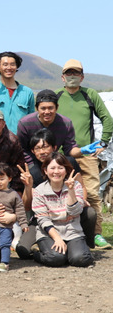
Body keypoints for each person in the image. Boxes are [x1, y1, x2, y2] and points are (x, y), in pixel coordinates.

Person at [55, 59, 113, 249]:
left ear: (82, 76)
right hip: (60, 155)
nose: (72, 76)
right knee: (59, 194)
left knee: (93, 194)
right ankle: (62, 234)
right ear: (62, 76)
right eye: (68, 73)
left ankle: (96, 234)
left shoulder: (90, 95)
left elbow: (106, 118)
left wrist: (103, 142)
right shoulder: (56, 97)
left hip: (86, 153)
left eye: (76, 73)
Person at [15, 129, 97, 259]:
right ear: (32, 151)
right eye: (38, 148)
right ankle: (44, 247)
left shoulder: (68, 163)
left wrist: (80, 201)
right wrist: (28, 185)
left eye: (46, 146)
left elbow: (80, 186)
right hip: (43, 218)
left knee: (90, 212)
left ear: (54, 147)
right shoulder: (32, 171)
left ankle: (83, 245)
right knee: (23, 250)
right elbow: (26, 206)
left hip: (69, 214)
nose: (42, 152)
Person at [32, 152, 94, 267]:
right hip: (49, 233)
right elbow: (42, 219)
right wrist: (57, 238)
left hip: (72, 230)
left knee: (80, 259)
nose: (56, 172)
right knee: (56, 258)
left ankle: (77, 250)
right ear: (45, 170)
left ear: (66, 170)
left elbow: (75, 212)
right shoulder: (39, 191)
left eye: (60, 168)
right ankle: (36, 254)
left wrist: (71, 191)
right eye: (52, 168)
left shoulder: (76, 186)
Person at [17, 89, 84, 164]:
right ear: (36, 108)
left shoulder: (66, 123)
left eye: (50, 108)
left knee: (72, 162)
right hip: (33, 161)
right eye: (43, 108)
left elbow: (69, 148)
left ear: (57, 107)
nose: (47, 112)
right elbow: (23, 150)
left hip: (54, 159)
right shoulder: (25, 123)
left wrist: (82, 150)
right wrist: (33, 166)